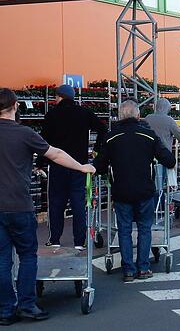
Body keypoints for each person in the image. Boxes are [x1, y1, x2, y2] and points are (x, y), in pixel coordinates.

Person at [0, 88, 96, 326]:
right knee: (27, 256)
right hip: (19, 205)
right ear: (16, 106)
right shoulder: (24, 133)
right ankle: (27, 305)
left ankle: (6, 311)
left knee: (1, 259)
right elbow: (56, 154)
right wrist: (82, 167)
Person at [93, 100, 176, 282]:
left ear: (120, 115)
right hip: (145, 190)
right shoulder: (148, 135)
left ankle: (128, 270)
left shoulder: (110, 137)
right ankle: (143, 268)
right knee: (144, 229)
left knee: (124, 230)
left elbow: (99, 166)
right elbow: (169, 160)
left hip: (121, 191)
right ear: (138, 115)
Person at [40, 84, 108, 250]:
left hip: (57, 166)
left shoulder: (51, 115)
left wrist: (40, 163)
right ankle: (80, 241)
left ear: (59, 97)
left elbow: (43, 142)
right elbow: (103, 129)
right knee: (78, 204)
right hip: (79, 166)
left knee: (56, 204)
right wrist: (96, 149)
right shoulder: (84, 113)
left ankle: (55, 239)